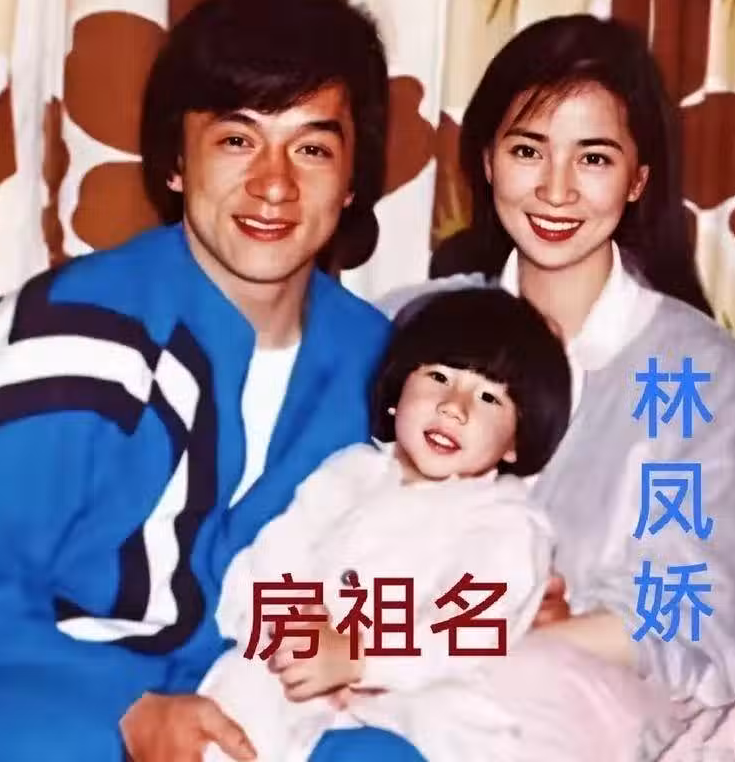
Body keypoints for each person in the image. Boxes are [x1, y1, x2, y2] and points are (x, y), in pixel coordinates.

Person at [0, 0, 428, 762]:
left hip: (250, 704)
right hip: (31, 694)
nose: (274, 184)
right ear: (175, 160)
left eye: (311, 148)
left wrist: (502, 601)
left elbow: (423, 558)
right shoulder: (58, 332)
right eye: (236, 141)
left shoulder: (389, 370)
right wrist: (126, 707)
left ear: (350, 181)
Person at [381, 14, 735, 756]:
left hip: (573, 696)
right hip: (384, 670)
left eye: (593, 158)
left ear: (639, 179)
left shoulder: (688, 368)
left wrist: (514, 632)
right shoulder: (407, 325)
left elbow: (695, 608)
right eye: (528, 150)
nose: (556, 189)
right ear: (487, 161)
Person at [198, 288, 571, 761]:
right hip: (304, 673)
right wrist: (292, 628)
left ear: (517, 441)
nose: (454, 407)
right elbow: (276, 555)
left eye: (488, 397)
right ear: (398, 392)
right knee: (242, 688)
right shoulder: (349, 473)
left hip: (416, 703)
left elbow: (465, 631)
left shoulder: (507, 522)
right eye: (439, 376)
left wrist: (359, 658)